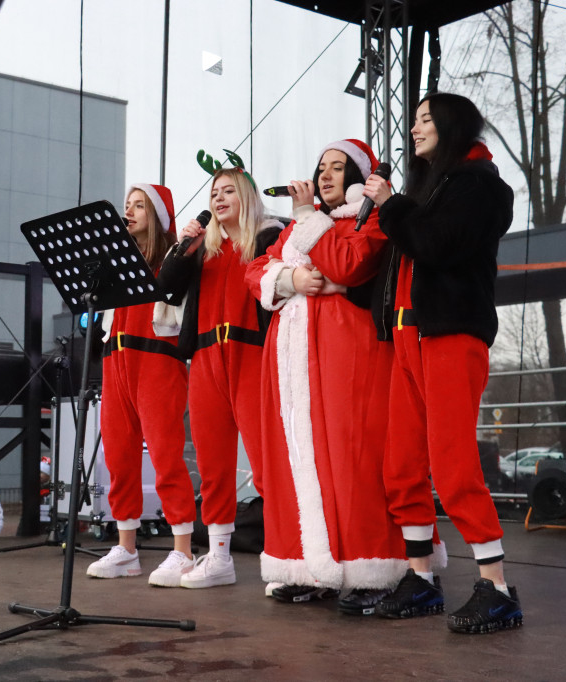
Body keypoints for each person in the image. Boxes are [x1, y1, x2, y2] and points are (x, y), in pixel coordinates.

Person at [245, 139, 439, 613]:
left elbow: (352, 265)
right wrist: (290, 281)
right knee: (298, 464)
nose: (326, 175)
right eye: (322, 167)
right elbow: (256, 270)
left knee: (355, 459)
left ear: (357, 175)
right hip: (294, 361)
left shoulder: (369, 216)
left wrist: (312, 231)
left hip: (348, 353)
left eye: (338, 168)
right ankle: (307, 566)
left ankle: (373, 566)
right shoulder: (299, 225)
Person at [363, 92, 522, 633]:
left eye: (425, 119)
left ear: (454, 124)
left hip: (451, 334)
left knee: (453, 464)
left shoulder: (482, 185)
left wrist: (390, 206)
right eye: (411, 121)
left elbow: (435, 245)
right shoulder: (427, 190)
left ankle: (497, 587)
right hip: (408, 336)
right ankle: (421, 578)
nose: (413, 129)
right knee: (401, 465)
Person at [157, 157, 281, 588]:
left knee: (267, 460)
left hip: (250, 351)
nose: (219, 198)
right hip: (207, 355)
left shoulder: (267, 236)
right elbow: (166, 286)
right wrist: (183, 243)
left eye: (228, 191)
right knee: (212, 463)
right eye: (214, 193)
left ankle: (288, 552)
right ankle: (220, 555)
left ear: (245, 196)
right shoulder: (201, 249)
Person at [85, 184, 199, 587]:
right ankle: (127, 548)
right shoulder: (115, 266)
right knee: (118, 456)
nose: (129, 211)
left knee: (166, 456)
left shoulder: (171, 260)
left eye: (139, 206)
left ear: (158, 215)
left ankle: (183, 549)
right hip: (115, 360)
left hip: (156, 361)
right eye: (126, 205)